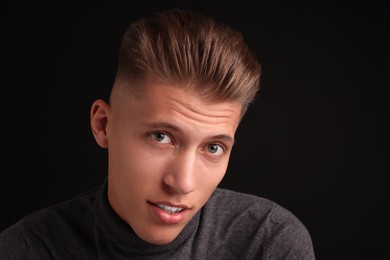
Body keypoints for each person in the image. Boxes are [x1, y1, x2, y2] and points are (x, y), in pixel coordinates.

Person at [0, 8, 315, 259]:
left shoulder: (267, 242)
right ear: (103, 125)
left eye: (214, 148)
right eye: (161, 137)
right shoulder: (26, 249)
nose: (183, 183)